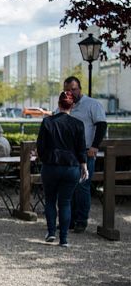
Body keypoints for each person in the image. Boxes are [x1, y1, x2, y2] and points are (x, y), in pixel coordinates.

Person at [37, 91, 88, 247]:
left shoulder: (47, 122)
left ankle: (51, 232)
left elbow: (40, 147)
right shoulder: (78, 124)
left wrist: (46, 159)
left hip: (51, 166)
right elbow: (81, 148)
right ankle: (64, 239)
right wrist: (84, 165)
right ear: (72, 105)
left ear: (59, 105)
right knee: (65, 202)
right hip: (71, 167)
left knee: (50, 200)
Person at [65, 76, 107, 233]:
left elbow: (101, 125)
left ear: (79, 89)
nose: (70, 92)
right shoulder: (66, 105)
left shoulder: (92, 104)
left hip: (86, 151)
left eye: (73, 89)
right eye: (67, 90)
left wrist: (95, 146)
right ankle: (69, 220)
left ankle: (81, 221)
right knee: (69, 186)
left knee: (82, 186)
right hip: (68, 153)